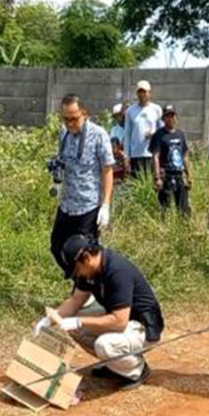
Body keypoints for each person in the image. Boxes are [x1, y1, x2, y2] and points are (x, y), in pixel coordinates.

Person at [33, 234, 165, 390]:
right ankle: (115, 365)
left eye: (77, 269)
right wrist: (48, 320)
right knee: (75, 327)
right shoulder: (89, 270)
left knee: (104, 344)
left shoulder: (117, 271)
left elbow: (119, 322)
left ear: (87, 258)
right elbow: (76, 301)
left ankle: (136, 370)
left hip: (143, 327)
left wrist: (80, 321)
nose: (78, 274)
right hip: (123, 322)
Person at [50, 94, 115, 277]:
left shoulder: (98, 135)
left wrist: (106, 204)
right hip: (67, 204)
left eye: (74, 118)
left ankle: (89, 292)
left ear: (84, 114)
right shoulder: (64, 133)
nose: (70, 123)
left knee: (85, 255)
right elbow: (62, 160)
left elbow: (108, 170)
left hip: (88, 205)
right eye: (66, 119)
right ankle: (79, 284)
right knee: (57, 247)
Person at [150, 105, 192, 217]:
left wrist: (189, 175)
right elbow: (155, 156)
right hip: (165, 176)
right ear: (163, 119)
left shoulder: (180, 134)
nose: (170, 118)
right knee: (165, 209)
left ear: (176, 117)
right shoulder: (159, 135)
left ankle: (183, 229)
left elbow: (185, 156)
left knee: (183, 208)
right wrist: (157, 178)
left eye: (172, 115)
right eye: (167, 116)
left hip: (179, 175)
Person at [124, 80, 163, 179]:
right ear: (137, 94)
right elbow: (127, 134)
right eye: (140, 92)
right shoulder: (130, 111)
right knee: (137, 187)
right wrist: (126, 156)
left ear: (150, 93)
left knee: (153, 185)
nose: (142, 95)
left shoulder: (156, 109)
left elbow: (162, 131)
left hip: (152, 155)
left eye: (144, 92)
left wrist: (154, 134)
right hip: (135, 155)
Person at [110, 103, 130, 181]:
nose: (119, 118)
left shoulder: (131, 127)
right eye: (116, 116)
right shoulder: (114, 130)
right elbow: (113, 146)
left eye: (120, 115)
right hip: (120, 159)